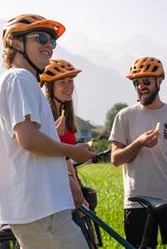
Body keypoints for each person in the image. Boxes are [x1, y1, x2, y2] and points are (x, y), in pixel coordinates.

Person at [0, 14, 96, 249]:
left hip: (41, 210)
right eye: (41, 38)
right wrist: (73, 151)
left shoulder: (23, 82)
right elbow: (29, 139)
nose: (48, 45)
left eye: (52, 41)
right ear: (16, 43)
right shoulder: (19, 78)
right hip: (43, 212)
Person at [109, 56, 167, 249]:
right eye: (136, 82)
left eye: (146, 81)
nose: (141, 86)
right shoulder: (124, 116)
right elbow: (115, 159)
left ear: (159, 81)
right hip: (138, 200)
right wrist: (138, 143)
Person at [40, 59, 98, 248]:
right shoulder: (46, 115)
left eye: (71, 81)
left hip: (68, 186)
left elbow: (67, 159)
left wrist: (77, 188)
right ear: (49, 87)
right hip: (54, 191)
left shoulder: (64, 114)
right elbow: (51, 154)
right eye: (62, 82)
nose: (68, 87)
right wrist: (74, 188)